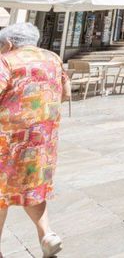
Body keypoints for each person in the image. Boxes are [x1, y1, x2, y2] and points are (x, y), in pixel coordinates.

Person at [0, 23, 70, 258]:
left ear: (9, 43)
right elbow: (66, 92)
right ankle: (47, 235)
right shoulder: (53, 58)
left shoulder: (6, 60)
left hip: (6, 142)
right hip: (42, 141)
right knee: (33, 188)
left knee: (1, 194)